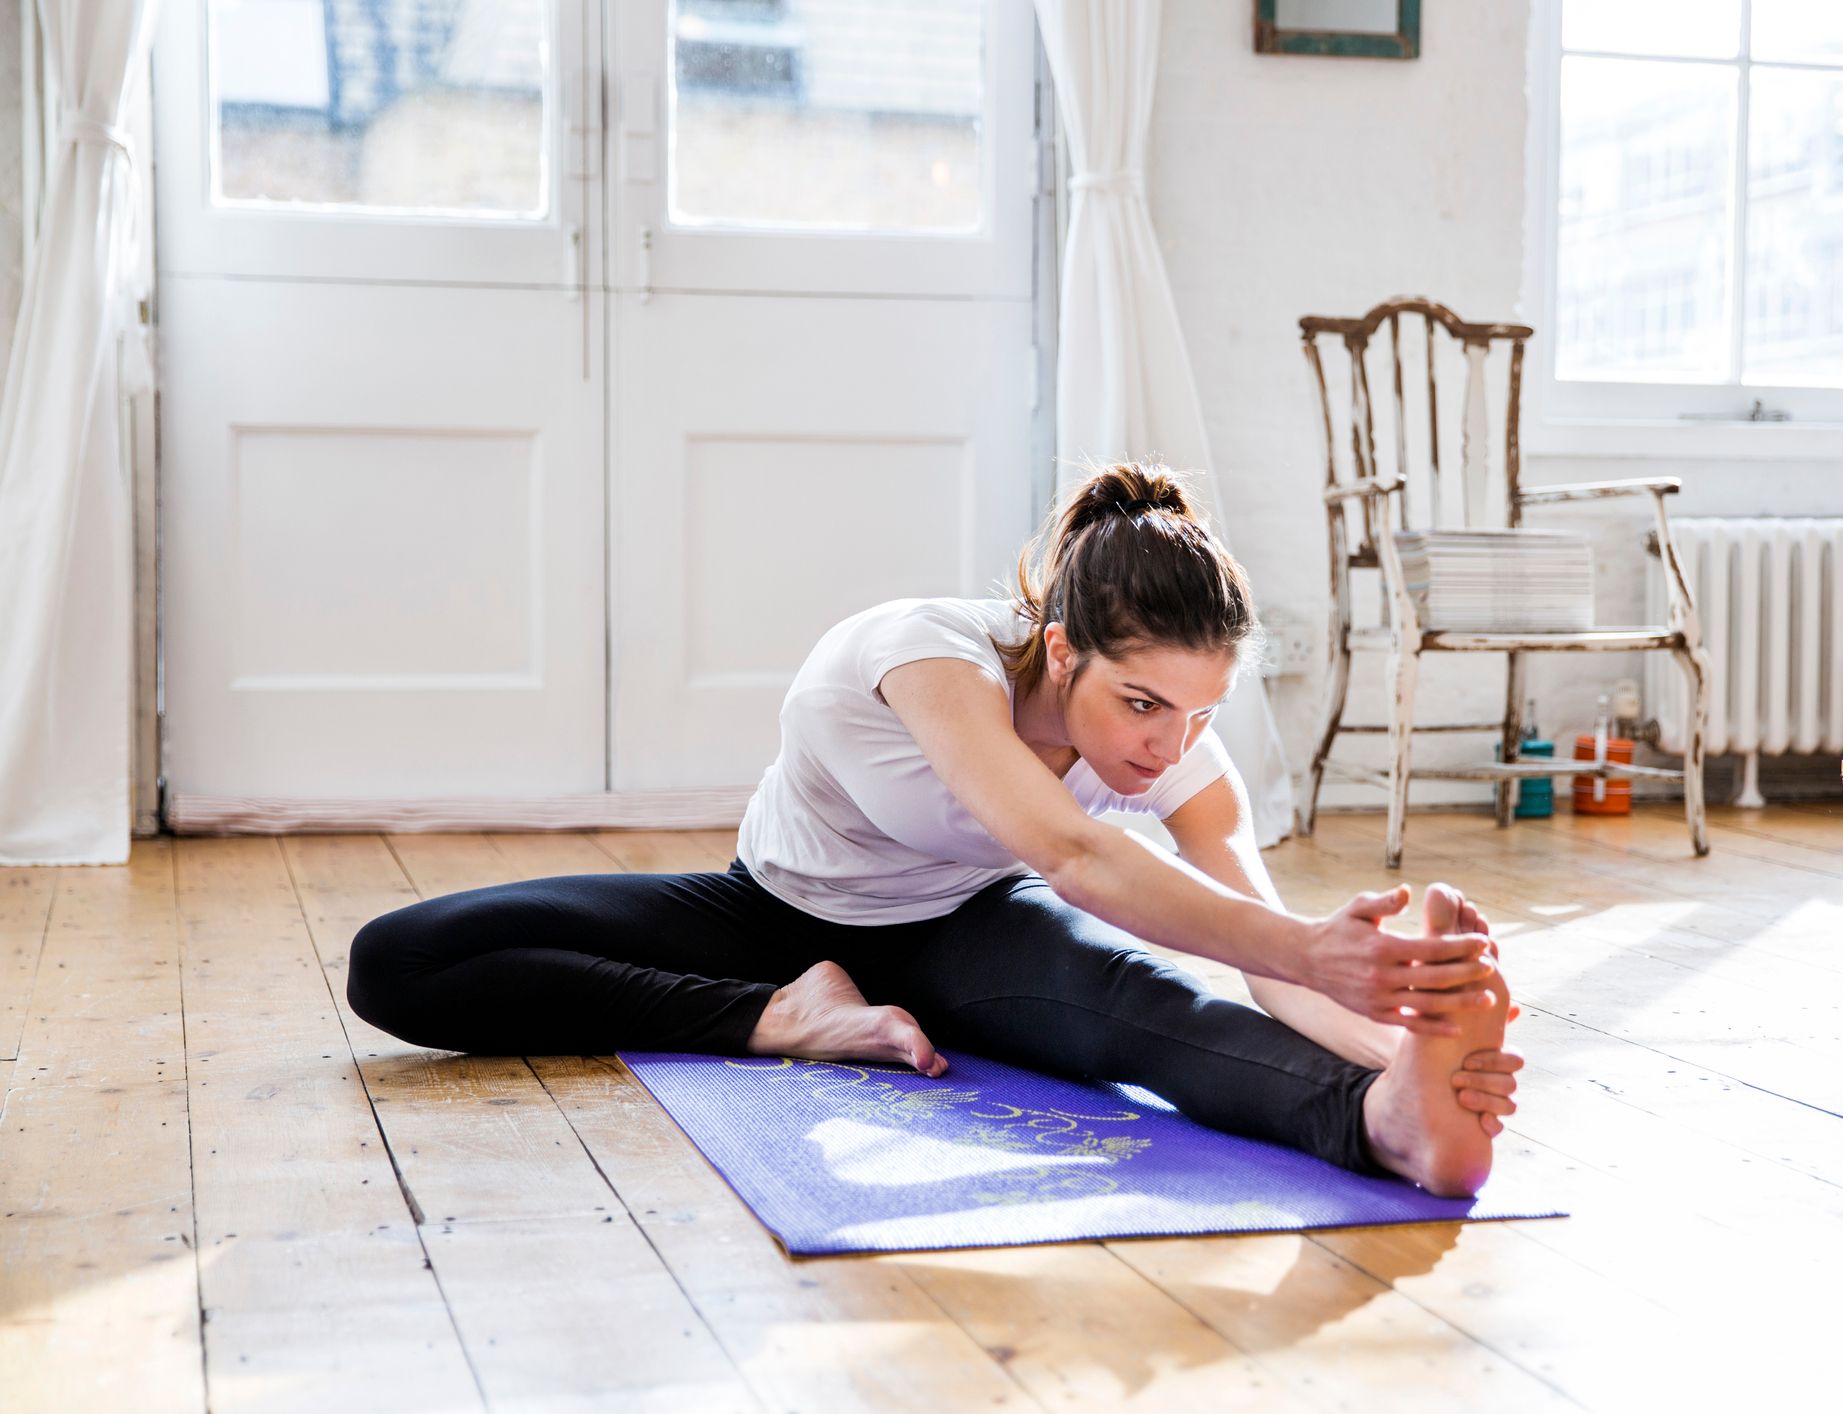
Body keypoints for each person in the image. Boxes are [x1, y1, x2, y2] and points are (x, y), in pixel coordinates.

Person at [347, 463, 1522, 1197]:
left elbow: (1257, 950)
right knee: (400, 960)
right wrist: (1312, 946)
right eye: (1145, 705)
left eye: (1201, 713)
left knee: (1145, 1015)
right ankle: (779, 1018)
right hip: (769, 916)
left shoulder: (1178, 749)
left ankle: (1385, 1130)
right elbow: (1070, 851)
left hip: (960, 931)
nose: (1168, 746)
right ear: (1062, 648)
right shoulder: (927, 655)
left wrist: (1399, 1051)